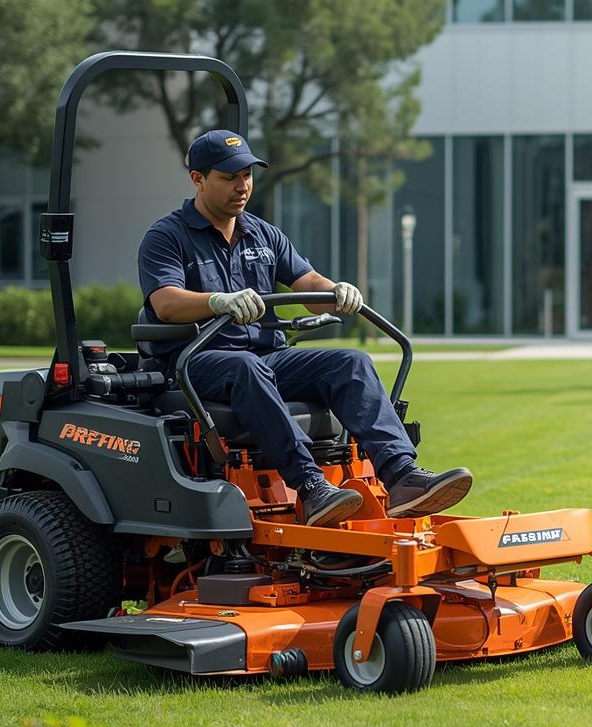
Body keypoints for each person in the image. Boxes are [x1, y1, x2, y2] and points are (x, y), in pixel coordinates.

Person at [137, 130, 472, 527]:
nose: (242, 186)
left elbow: (307, 282)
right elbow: (166, 302)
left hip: (267, 357)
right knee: (247, 366)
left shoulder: (263, 234)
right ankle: (312, 487)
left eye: (247, 175)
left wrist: (335, 291)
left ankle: (402, 478)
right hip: (198, 361)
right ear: (198, 179)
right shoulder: (166, 236)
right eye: (229, 178)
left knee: (351, 362)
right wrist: (216, 301)